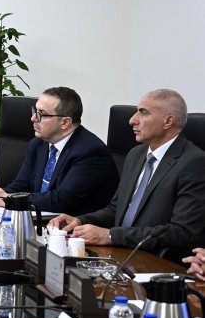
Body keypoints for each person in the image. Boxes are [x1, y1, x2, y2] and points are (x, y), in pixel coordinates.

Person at [50, 89, 205, 251]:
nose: (132, 120)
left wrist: (110, 236)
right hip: (120, 250)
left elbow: (181, 232)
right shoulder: (136, 154)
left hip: (153, 257)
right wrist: (80, 221)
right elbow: (116, 210)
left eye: (143, 112)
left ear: (168, 121)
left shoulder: (194, 163)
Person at [0, 87, 118, 216]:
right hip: (41, 221)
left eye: (42, 114)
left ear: (65, 122)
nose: (33, 118)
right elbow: (21, 185)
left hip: (76, 229)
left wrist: (7, 199)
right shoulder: (38, 144)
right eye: (35, 111)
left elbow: (61, 200)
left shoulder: (90, 152)